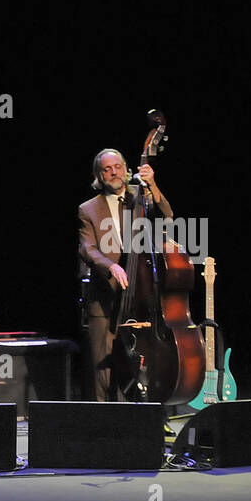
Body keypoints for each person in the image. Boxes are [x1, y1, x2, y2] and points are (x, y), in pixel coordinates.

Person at [76, 148, 172, 401]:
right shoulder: (87, 209)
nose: (113, 172)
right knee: (103, 368)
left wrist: (151, 184)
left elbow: (166, 216)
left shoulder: (138, 197)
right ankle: (104, 424)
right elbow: (87, 248)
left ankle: (145, 417)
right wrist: (111, 265)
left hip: (140, 295)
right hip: (104, 298)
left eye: (117, 166)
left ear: (126, 168)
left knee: (143, 363)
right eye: (106, 169)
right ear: (99, 175)